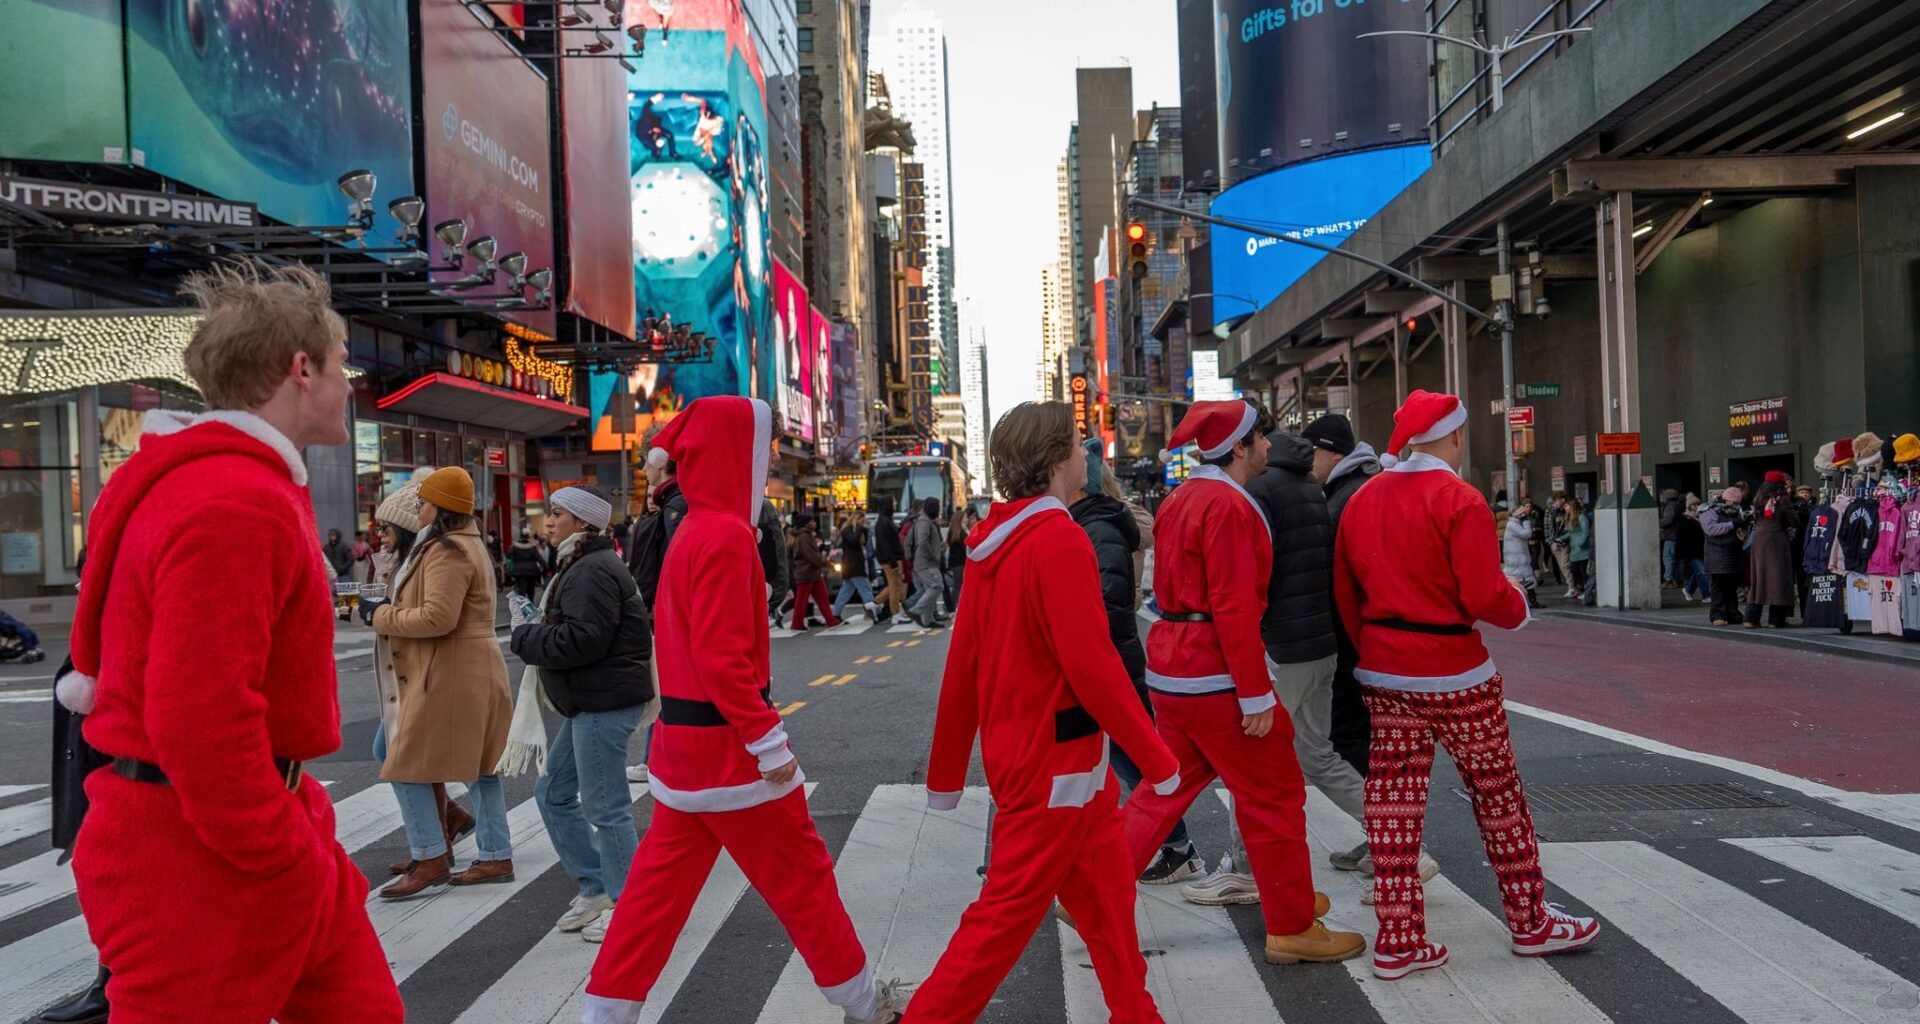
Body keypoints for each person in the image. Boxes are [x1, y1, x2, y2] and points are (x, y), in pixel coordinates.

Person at [62, 259, 402, 1022]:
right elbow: (201, 715)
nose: (353, 382)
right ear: (301, 368)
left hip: (241, 825)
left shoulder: (211, 482)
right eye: (345, 362)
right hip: (202, 852)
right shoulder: (236, 502)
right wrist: (278, 850)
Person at [587, 397, 901, 1024]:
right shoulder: (727, 535)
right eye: (761, 454)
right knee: (804, 880)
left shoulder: (691, 528)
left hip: (682, 756)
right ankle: (865, 1005)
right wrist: (769, 744)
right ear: (738, 457)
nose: (766, 468)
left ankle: (603, 1014)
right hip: (734, 758)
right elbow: (725, 661)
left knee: (652, 901)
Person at [917, 401, 1181, 1024]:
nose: (1086, 451)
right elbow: (1092, 667)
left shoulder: (992, 543)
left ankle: (1135, 1013)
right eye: (1077, 441)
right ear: (1056, 457)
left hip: (1048, 761)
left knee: (1109, 902)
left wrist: (947, 775)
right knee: (1003, 918)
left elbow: (963, 670)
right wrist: (1156, 758)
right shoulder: (1058, 537)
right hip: (1056, 766)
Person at [1334, 389, 1599, 980]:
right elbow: (1486, 596)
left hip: (1384, 668)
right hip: (1455, 672)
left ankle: (1398, 938)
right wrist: (1519, 607)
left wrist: (1372, 647)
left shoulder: (1364, 499)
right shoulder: (1461, 499)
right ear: (1454, 437)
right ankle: (1530, 921)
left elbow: (1346, 591)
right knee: (1497, 793)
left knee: (1393, 804)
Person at [1118, 399, 1365, 967]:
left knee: (1162, 790)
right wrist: (1255, 694)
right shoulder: (1229, 505)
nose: (1269, 445)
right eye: (1260, 437)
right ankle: (1293, 923)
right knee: (1274, 795)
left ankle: (1089, 893)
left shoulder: (1183, 498)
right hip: (1217, 677)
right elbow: (1233, 606)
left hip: (1176, 673)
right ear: (1240, 447)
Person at [361, 467, 517, 899]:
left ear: (441, 507)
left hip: (453, 670)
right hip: (465, 668)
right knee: (479, 767)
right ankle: (490, 852)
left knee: (403, 757)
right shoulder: (462, 543)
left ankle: (432, 853)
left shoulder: (447, 550)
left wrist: (378, 615)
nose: (419, 508)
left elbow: (437, 617)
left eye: (425, 502)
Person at [510, 486, 654, 944]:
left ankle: (630, 906)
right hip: (590, 701)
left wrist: (524, 636)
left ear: (584, 524)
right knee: (552, 794)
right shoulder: (582, 564)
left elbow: (582, 640)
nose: (548, 522)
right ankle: (597, 888)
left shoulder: (590, 569)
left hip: (603, 702)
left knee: (606, 807)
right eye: (550, 514)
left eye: (558, 514)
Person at [1071, 439, 1199, 885]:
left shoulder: (1102, 525)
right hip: (1114, 654)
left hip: (1112, 657)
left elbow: (1105, 603)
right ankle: (1169, 844)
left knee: (1130, 756)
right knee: (1117, 757)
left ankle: (1177, 844)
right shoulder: (1099, 520)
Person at [1302, 412, 1378, 779]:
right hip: (1366, 631)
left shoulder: (1344, 497)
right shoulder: (1356, 487)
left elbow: (1337, 576)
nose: (1307, 459)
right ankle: (1388, 819)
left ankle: (1384, 819)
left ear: (1334, 454)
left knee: (1345, 733)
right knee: (1359, 732)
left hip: (1351, 634)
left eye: (1312, 450)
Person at [1743, 473, 1798, 628]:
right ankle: (1776, 620)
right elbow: (1793, 520)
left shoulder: (1758, 498)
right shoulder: (1782, 499)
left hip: (1759, 540)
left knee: (1759, 578)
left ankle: (1751, 618)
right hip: (1776, 540)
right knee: (1778, 579)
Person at [1701, 485, 1751, 627]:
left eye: (1737, 503)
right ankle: (1717, 615)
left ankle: (1732, 613)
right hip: (1716, 555)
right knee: (1718, 587)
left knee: (1731, 587)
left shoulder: (1737, 512)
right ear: (1726, 499)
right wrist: (1731, 525)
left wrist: (1743, 534)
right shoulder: (1710, 511)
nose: (1736, 505)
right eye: (1733, 502)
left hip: (1733, 554)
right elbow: (1710, 529)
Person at [788, 514, 842, 630]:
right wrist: (828, 564)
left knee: (822, 597)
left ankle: (830, 620)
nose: (815, 524)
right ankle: (796, 623)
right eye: (812, 521)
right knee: (802, 600)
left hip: (812, 573)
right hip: (806, 573)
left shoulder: (806, 536)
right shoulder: (803, 537)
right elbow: (811, 556)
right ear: (806, 524)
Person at [831, 514, 883, 623]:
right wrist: (860, 528)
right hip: (854, 565)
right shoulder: (847, 530)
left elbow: (863, 541)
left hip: (853, 564)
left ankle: (835, 614)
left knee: (846, 591)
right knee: (865, 589)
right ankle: (875, 612)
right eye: (861, 520)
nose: (862, 523)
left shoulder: (854, 530)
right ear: (856, 519)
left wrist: (864, 530)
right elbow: (854, 541)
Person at [906, 497, 948, 628]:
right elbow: (922, 541)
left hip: (924, 561)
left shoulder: (924, 521)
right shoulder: (924, 522)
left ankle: (928, 619)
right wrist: (934, 555)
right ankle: (916, 611)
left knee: (930, 588)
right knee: (937, 586)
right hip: (926, 562)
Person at [872, 495, 911, 624]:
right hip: (892, 560)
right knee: (895, 586)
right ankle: (895, 614)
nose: (895, 503)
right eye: (893, 501)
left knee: (895, 585)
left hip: (892, 559)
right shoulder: (884, 522)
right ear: (887, 504)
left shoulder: (885, 520)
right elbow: (886, 545)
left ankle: (874, 603)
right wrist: (893, 563)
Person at [1504, 498, 1542, 607]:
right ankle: (1528, 601)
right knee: (1519, 579)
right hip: (1516, 559)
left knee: (1525, 579)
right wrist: (1526, 521)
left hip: (1518, 558)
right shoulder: (1513, 524)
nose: (1523, 512)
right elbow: (1527, 534)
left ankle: (1531, 600)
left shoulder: (1513, 523)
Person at [1676, 494, 1711, 602]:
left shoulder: (1701, 517)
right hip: (1691, 551)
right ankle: (1707, 595)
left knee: (1699, 571)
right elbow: (1681, 538)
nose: (1696, 506)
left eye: (1697, 504)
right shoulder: (1684, 519)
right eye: (1693, 504)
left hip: (1701, 549)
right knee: (1702, 571)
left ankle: (1688, 590)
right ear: (1689, 506)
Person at [944, 507, 975, 610]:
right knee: (958, 585)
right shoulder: (962, 531)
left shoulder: (954, 530)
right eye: (965, 517)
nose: (967, 519)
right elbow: (966, 546)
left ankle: (953, 606)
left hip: (955, 562)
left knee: (958, 585)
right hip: (960, 562)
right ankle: (952, 607)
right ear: (960, 519)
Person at [1566, 496, 1594, 598]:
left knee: (1583, 570)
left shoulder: (1582, 517)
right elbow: (1570, 533)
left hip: (1582, 550)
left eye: (1567, 506)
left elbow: (1586, 532)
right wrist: (1562, 538)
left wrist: (1581, 543)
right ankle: (1580, 588)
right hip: (1574, 549)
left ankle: (1586, 590)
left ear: (1572, 507)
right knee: (1574, 569)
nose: (1566, 508)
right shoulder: (1570, 519)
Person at [508, 527, 547, 600]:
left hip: (519, 571)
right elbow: (538, 557)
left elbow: (509, 555)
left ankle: (522, 605)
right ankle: (530, 603)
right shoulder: (532, 546)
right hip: (532, 570)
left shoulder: (515, 546)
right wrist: (546, 567)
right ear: (528, 536)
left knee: (521, 589)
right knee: (531, 589)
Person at [1658, 488, 1683, 588]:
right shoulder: (1679, 505)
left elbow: (1668, 520)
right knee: (1678, 559)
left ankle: (1668, 580)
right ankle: (1679, 580)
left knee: (1668, 558)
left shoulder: (1670, 506)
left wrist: (1657, 522)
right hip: (1679, 536)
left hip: (1670, 536)